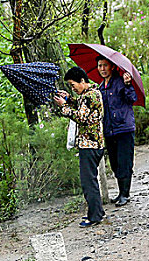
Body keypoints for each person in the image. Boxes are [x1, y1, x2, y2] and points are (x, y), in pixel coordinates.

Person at [54, 67, 105, 228]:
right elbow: (83, 106)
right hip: (95, 143)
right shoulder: (91, 93)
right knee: (90, 180)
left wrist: (64, 107)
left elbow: (81, 117)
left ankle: (95, 216)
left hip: (89, 145)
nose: (73, 88)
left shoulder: (89, 96)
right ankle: (96, 212)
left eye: (73, 84)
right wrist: (68, 98)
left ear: (82, 81)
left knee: (88, 182)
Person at [96, 55, 138, 206]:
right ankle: (121, 192)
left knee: (124, 162)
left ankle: (125, 194)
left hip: (124, 128)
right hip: (109, 130)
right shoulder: (101, 87)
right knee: (114, 163)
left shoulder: (120, 82)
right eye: (100, 66)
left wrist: (128, 85)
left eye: (105, 66)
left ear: (112, 67)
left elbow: (132, 98)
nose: (102, 69)